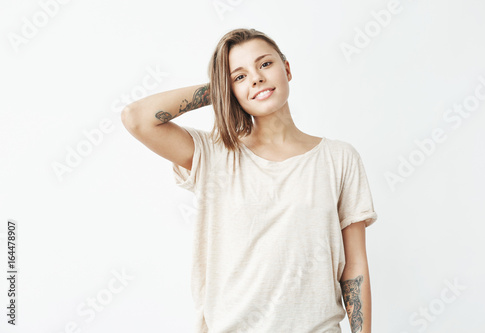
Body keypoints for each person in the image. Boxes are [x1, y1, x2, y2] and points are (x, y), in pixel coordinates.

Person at [121, 28, 378, 333]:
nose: (255, 78)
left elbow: (355, 265)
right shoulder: (214, 155)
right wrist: (218, 87)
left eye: (265, 64)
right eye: (239, 76)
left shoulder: (339, 158)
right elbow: (137, 118)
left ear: (287, 69)